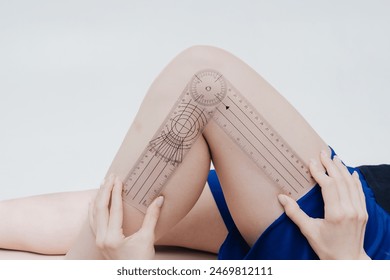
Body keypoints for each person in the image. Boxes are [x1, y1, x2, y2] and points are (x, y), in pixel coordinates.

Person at [0, 46, 389, 260]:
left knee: (204, 83)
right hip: (368, 189)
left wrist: (350, 266)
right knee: (106, 217)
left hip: (364, 250)